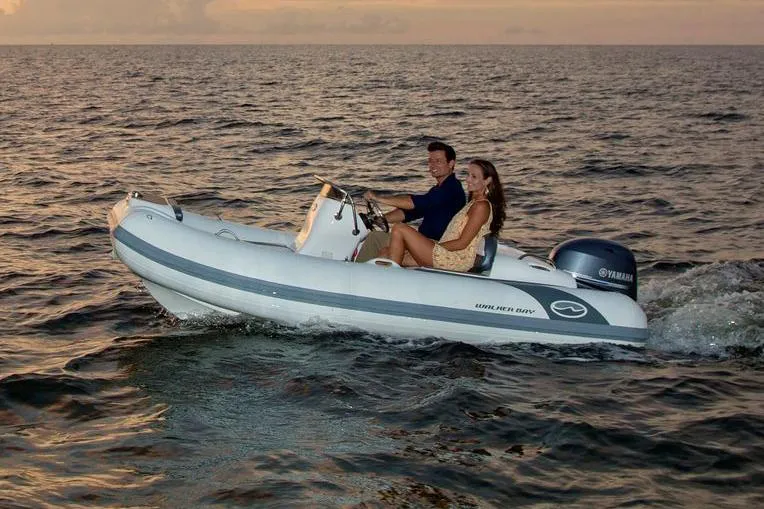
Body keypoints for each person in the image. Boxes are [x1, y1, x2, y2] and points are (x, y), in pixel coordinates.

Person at [355, 141, 466, 262]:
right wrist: (379, 219)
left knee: (388, 245)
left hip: (436, 246)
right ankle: (356, 270)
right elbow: (410, 212)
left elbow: (414, 203)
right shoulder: (437, 189)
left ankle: (359, 271)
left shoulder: (451, 188)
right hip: (422, 241)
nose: (432, 165)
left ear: (451, 163)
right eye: (430, 161)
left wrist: (378, 198)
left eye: (438, 161)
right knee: (375, 237)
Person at [387, 159, 506, 272]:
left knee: (399, 228)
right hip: (445, 252)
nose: (468, 179)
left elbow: (462, 243)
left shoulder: (481, 206)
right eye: (468, 175)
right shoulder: (473, 203)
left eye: (473, 176)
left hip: (455, 259)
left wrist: (434, 247)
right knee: (385, 252)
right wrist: (428, 246)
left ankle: (392, 278)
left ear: (487, 181)